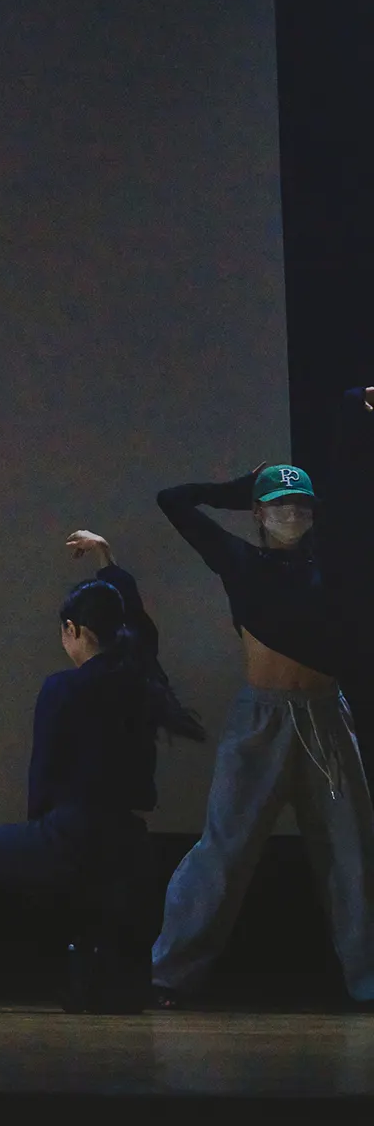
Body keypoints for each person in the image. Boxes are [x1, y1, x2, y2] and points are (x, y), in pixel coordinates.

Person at [0, 530, 194, 1010]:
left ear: (73, 630)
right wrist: (107, 559)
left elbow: (43, 775)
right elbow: (139, 624)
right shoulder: (142, 679)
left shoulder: (63, 688)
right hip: (129, 844)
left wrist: (41, 841)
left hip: (70, 835)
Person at [151, 386, 374, 1006]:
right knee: (224, 851)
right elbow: (173, 500)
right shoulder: (239, 560)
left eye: (301, 505)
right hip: (262, 720)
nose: (292, 513)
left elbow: (351, 487)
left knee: (351, 853)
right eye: (280, 505)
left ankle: (367, 981)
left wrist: (355, 414)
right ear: (259, 512)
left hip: (326, 719)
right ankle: (171, 975)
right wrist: (241, 487)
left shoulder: (331, 564)